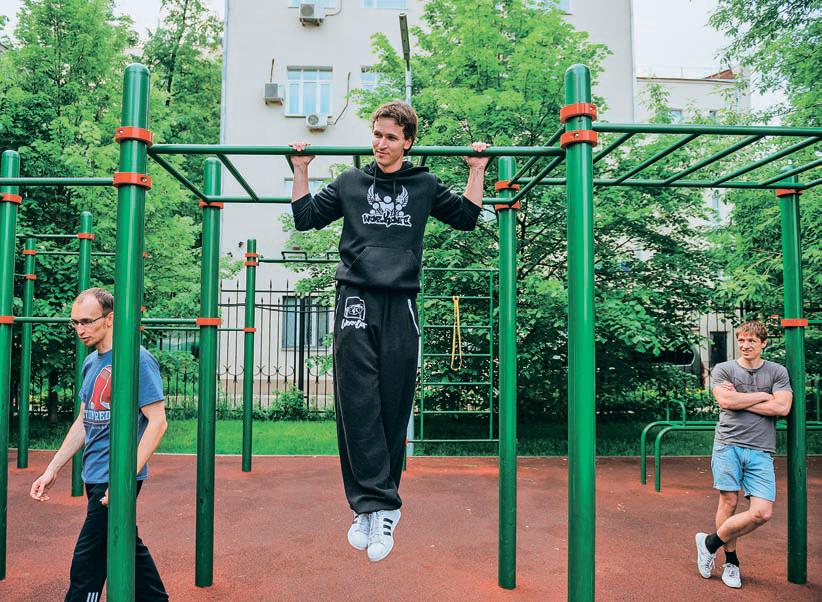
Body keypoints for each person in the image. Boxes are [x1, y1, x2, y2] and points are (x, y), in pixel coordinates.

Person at [289, 100, 490, 562]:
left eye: (391, 137)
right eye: (377, 135)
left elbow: (466, 217)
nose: (381, 144)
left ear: (408, 142)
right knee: (356, 401)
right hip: (355, 299)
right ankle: (370, 506)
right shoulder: (350, 182)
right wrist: (301, 169)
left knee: (393, 402)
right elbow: (305, 218)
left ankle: (381, 506)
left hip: (401, 302)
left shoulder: (423, 185)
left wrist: (477, 170)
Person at [30, 287, 169, 601]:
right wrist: (52, 468)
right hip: (93, 474)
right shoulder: (92, 362)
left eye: (87, 321)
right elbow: (84, 420)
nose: (79, 329)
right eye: (75, 322)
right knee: (125, 546)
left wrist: (122, 481)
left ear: (110, 319)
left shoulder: (137, 359)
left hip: (116, 475)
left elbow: (158, 422)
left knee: (87, 561)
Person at [695, 320, 793, 589]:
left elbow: (782, 408)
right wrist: (763, 395)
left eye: (751, 340)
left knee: (762, 512)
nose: (745, 345)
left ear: (763, 343)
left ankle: (709, 542)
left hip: (761, 449)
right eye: (741, 340)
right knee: (728, 502)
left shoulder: (777, 371)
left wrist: (741, 400)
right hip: (728, 444)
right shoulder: (724, 369)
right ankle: (731, 562)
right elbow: (726, 401)